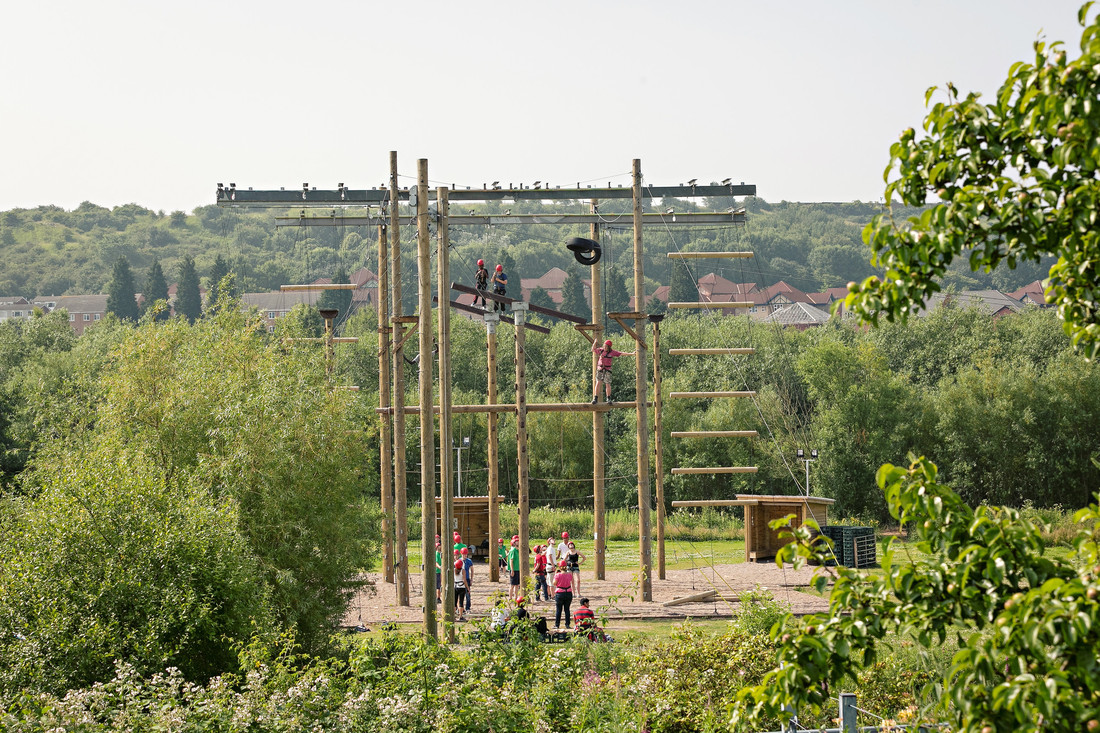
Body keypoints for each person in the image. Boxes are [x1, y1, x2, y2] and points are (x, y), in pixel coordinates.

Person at [591, 339, 636, 404]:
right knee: (598, 383)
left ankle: (608, 398)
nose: (605, 347)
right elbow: (593, 349)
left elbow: (621, 353)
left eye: (606, 346)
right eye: (604, 346)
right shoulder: (601, 350)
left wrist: (631, 354)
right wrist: (595, 343)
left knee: (607, 384)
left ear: (609, 347)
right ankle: (595, 398)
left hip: (607, 370)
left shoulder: (612, 352)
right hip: (600, 369)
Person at [553, 560, 573, 629]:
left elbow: (554, 583)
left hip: (560, 593)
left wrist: (556, 574)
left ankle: (557, 624)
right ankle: (567, 624)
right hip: (568, 592)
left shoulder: (558, 575)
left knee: (559, 610)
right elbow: (570, 580)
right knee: (567, 609)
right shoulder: (569, 574)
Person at [507, 535, 521, 601]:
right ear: (514, 542)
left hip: (518, 569)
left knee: (517, 585)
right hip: (514, 569)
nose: (518, 542)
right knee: (512, 584)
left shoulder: (517, 550)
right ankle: (510, 598)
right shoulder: (512, 550)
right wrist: (512, 570)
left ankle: (516, 597)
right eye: (517, 541)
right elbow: (511, 560)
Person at [461, 547, 474, 613]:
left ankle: (468, 607)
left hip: (467, 579)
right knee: (461, 594)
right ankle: (461, 608)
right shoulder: (459, 561)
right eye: (464, 554)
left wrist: (471, 579)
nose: (465, 556)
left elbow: (472, 570)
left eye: (466, 554)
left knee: (468, 594)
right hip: (461, 580)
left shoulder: (469, 561)